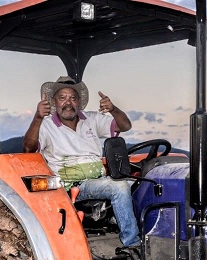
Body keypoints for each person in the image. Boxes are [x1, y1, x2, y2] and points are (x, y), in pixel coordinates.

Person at [23, 76, 140, 247]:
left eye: (72, 97)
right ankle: (132, 243)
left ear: (79, 101)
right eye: (62, 98)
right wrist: (38, 118)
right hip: (73, 185)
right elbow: (28, 148)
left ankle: (140, 229)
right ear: (54, 102)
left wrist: (113, 109)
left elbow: (125, 126)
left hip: (98, 180)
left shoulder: (91, 119)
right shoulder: (46, 125)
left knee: (144, 184)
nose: (68, 102)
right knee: (119, 187)